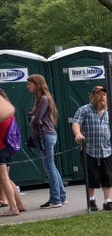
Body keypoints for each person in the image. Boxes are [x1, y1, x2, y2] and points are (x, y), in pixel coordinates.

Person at [71, 85, 112, 211]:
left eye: (104, 94)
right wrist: (78, 134)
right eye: (99, 94)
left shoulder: (109, 112)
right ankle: (91, 200)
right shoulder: (84, 110)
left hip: (107, 149)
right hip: (89, 149)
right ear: (92, 96)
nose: (102, 96)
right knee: (91, 175)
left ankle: (108, 201)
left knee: (108, 175)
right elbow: (76, 123)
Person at [27, 74, 66, 208]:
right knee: (52, 166)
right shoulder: (44, 98)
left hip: (44, 136)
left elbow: (37, 120)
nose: (28, 86)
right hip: (47, 135)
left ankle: (55, 199)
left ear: (36, 84)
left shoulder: (43, 99)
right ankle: (61, 195)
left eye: (29, 84)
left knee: (49, 166)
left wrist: (33, 120)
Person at [0, 90, 25, 217]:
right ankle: (19, 204)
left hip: (0, 148)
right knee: (7, 178)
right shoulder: (9, 113)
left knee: (3, 178)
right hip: (7, 147)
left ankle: (13, 208)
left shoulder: (2, 114)